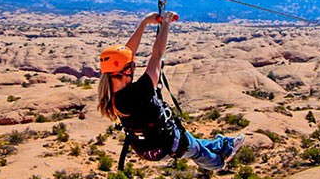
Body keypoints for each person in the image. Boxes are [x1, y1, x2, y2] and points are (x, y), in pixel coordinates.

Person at [97, 11, 245, 170]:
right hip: (167, 143)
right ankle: (220, 162)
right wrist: (165, 24)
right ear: (125, 71)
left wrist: (145, 23)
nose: (134, 66)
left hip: (149, 146)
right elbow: (157, 55)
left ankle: (222, 144)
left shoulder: (110, 90)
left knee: (194, 142)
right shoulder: (138, 93)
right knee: (196, 150)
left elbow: (127, 52)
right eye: (132, 65)